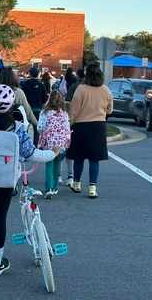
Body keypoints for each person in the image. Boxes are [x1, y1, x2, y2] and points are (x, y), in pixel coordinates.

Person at [0, 85, 61, 286]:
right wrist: (53, 152)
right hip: (6, 181)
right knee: (0, 219)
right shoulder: (18, 130)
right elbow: (32, 154)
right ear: (11, 107)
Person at [67, 61, 113, 198]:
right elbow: (110, 109)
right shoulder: (105, 90)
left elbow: (74, 110)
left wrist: (70, 123)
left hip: (81, 126)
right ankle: (92, 187)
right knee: (95, 159)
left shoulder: (81, 89)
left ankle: (77, 183)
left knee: (79, 157)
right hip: (98, 126)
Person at [38, 90, 71, 199]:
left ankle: (49, 188)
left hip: (49, 143)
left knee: (49, 164)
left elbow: (40, 128)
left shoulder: (45, 113)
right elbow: (67, 129)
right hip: (60, 143)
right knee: (57, 164)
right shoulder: (64, 113)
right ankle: (55, 186)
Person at [63, 68, 85, 186]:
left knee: (66, 149)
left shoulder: (74, 86)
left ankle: (62, 176)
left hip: (74, 119)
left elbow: (68, 100)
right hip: (86, 119)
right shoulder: (88, 87)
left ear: (77, 75)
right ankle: (71, 176)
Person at [20, 67, 48, 147]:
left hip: (27, 109)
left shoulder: (25, 85)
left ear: (30, 74)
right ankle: (35, 146)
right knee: (36, 130)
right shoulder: (41, 85)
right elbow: (45, 99)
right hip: (38, 110)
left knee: (26, 129)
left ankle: (25, 146)